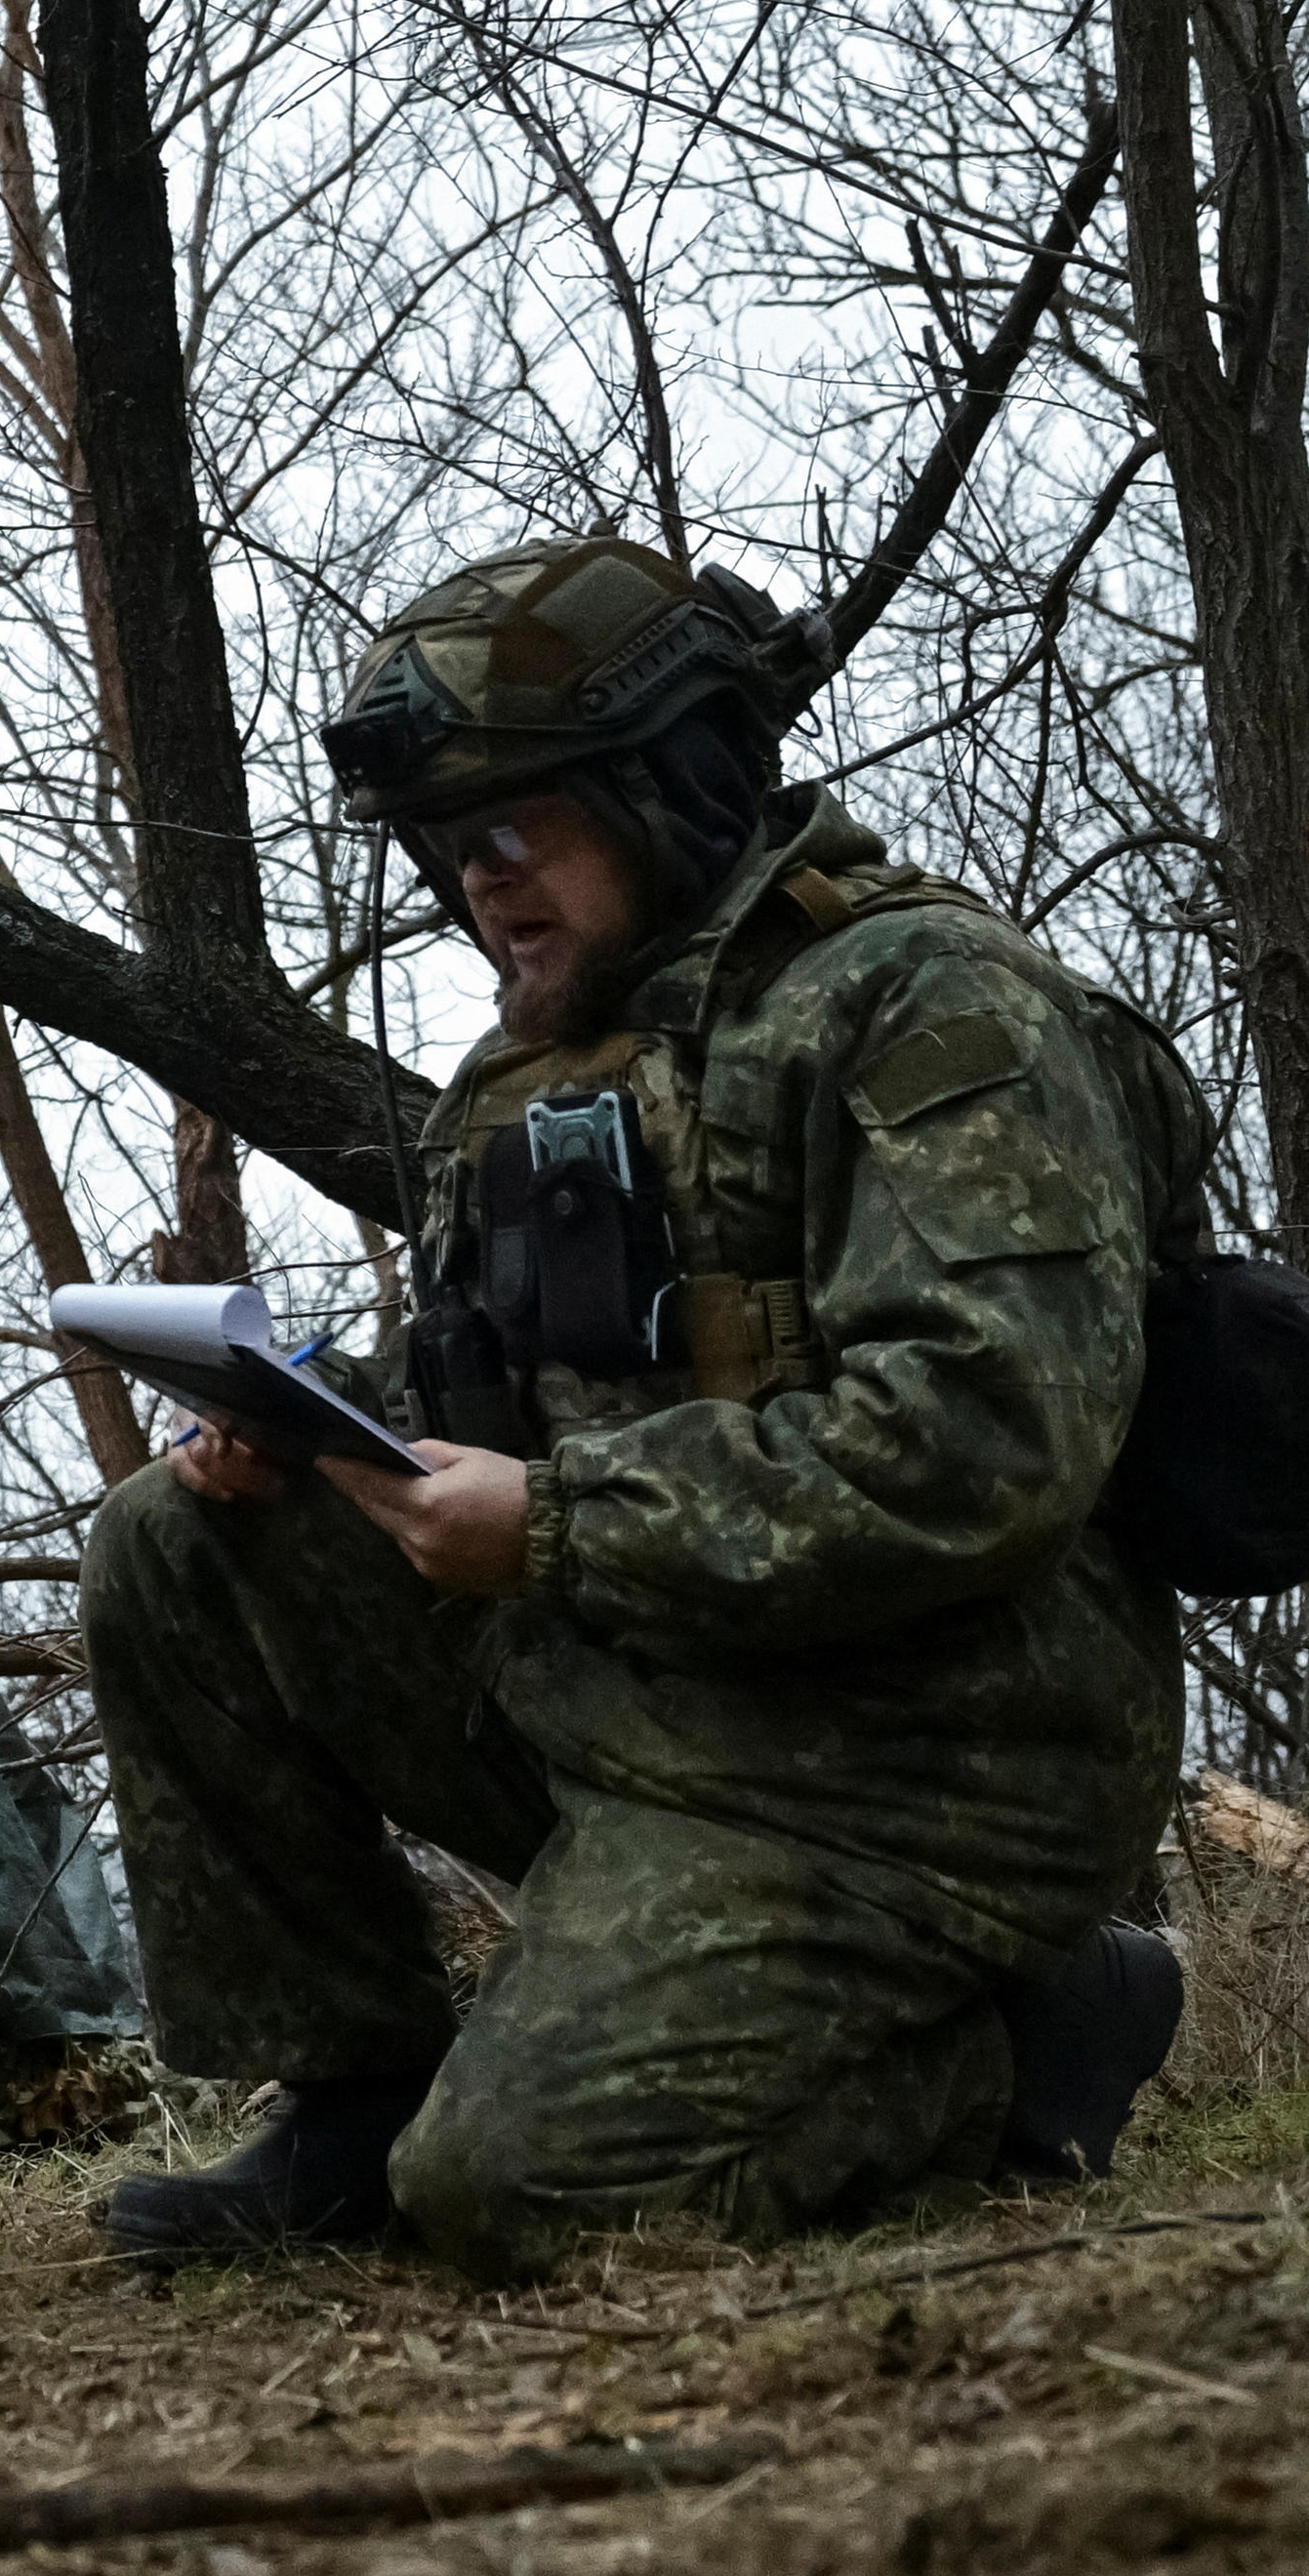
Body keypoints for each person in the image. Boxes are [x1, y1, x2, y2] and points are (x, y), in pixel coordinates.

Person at [83, 534, 1193, 2278]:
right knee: (175, 1540)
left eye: (515, 831)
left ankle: (1028, 2032)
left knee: (523, 2189)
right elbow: (490, 1394)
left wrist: (565, 1523)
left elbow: (988, 1442)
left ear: (661, 785)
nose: (478, 884)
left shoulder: (924, 1003)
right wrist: (305, 1424)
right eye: (452, 849)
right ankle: (359, 2095)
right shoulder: (533, 1063)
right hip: (645, 1688)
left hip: (920, 1760)